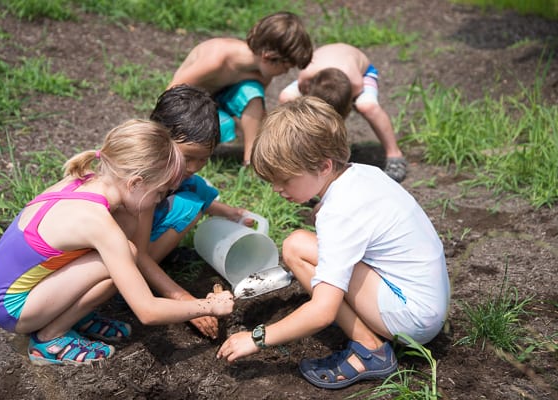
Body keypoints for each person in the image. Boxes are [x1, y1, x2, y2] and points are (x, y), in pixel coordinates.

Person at [216, 97, 450, 390]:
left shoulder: (339, 213)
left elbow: (322, 312)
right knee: (299, 245)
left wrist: (257, 338)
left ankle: (371, 351)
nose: (277, 189)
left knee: (297, 249)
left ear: (324, 166)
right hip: (429, 301)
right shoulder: (364, 173)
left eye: (285, 180)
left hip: (412, 317)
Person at [0, 119, 234, 366]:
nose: (159, 200)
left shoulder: (88, 181)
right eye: (159, 193)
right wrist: (209, 306)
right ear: (135, 183)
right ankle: (49, 339)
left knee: (125, 246)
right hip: (13, 309)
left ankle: (72, 315)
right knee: (125, 256)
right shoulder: (98, 223)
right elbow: (147, 311)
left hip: (14, 290)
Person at [129, 84, 253, 339]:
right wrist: (186, 302)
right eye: (189, 157)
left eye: (204, 158)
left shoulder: (167, 167)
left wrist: (229, 212)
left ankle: (159, 257)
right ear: (159, 139)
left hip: (135, 243)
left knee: (195, 188)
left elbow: (192, 184)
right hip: (125, 256)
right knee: (189, 205)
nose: (195, 166)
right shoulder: (144, 185)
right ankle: (141, 278)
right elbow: (137, 254)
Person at [166, 11, 313, 166]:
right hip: (190, 106)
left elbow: (257, 111)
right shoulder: (216, 60)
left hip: (216, 102)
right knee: (225, 126)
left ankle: (251, 161)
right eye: (286, 67)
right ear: (268, 57)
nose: (285, 72)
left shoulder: (262, 74)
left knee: (252, 92)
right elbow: (171, 94)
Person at [278, 43, 407, 182]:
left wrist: (345, 108)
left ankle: (394, 154)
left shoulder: (356, 83)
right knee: (286, 98)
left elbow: (352, 98)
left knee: (367, 106)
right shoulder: (306, 75)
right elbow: (302, 87)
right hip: (317, 77)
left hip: (363, 73)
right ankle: (285, 150)